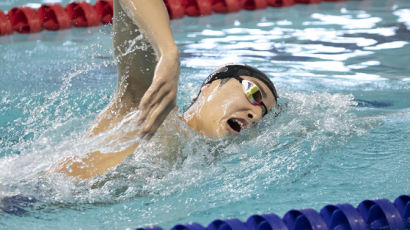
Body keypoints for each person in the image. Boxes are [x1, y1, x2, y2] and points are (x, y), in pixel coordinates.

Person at [52, 0, 278, 180]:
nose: (256, 114)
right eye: (253, 94)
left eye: (264, 113)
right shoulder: (146, 111)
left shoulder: (197, 169)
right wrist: (168, 52)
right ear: (209, 87)